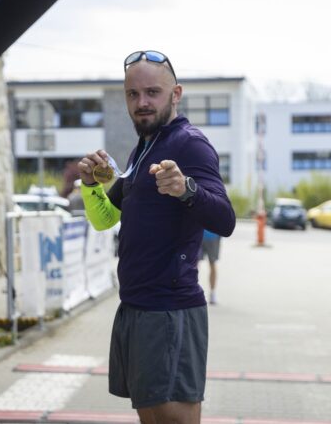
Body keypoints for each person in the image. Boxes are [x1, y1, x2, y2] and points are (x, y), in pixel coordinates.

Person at [77, 50, 235, 423]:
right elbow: (105, 219)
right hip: (136, 305)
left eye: (153, 92)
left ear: (175, 94)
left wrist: (186, 189)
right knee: (151, 415)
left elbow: (226, 219)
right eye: (133, 94)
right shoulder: (142, 148)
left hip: (171, 308)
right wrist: (89, 185)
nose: (142, 103)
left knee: (174, 416)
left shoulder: (188, 143)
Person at [200, 229, 221, 305]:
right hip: (198, 234)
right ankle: (191, 290)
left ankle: (212, 293)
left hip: (212, 235)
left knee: (212, 263)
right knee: (194, 264)